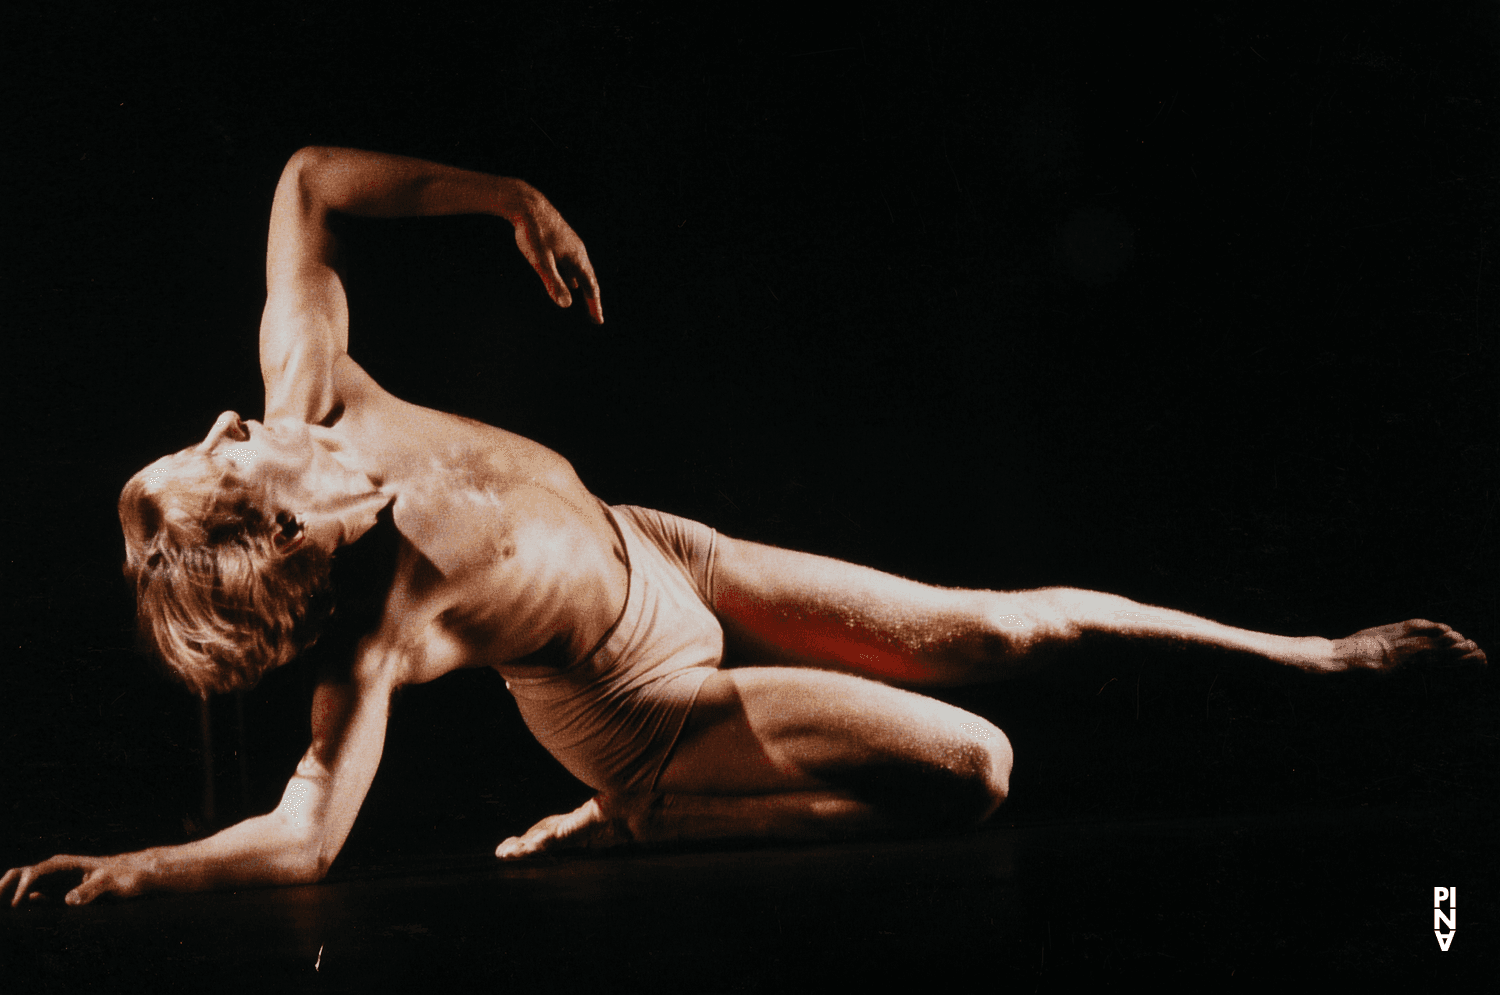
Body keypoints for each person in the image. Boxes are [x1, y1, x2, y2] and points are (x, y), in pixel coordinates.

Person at [2, 147, 1485, 909]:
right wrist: (142, 867)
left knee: (1007, 622)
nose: (219, 423)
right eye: (211, 459)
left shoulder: (310, 385)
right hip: (649, 707)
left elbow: (306, 181)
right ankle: (649, 816)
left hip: (668, 548)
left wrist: (503, 197)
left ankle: (1326, 658)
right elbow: (304, 834)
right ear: (267, 527)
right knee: (979, 765)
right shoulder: (380, 622)